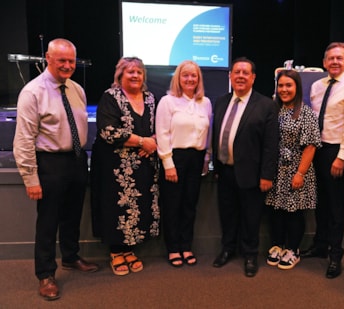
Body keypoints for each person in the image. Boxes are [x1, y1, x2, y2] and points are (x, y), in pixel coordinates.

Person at [13, 38, 98, 301]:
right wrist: (30, 178)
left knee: (72, 215)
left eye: (71, 60)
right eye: (61, 60)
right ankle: (45, 274)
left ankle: (71, 258)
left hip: (76, 159)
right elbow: (24, 139)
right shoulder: (32, 92)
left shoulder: (77, 89)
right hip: (49, 163)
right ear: (47, 58)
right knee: (48, 221)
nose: (67, 65)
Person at [90, 57, 160, 276]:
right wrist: (142, 141)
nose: (135, 75)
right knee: (116, 206)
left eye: (139, 72)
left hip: (144, 163)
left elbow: (161, 125)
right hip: (115, 167)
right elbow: (107, 131)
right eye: (130, 71)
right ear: (119, 75)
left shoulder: (150, 98)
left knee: (139, 204)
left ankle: (130, 249)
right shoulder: (110, 97)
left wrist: (154, 141)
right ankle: (116, 251)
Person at [211, 57, 279, 277]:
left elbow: (271, 144)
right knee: (227, 215)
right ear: (230, 76)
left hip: (253, 174)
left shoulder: (266, 105)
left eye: (245, 73)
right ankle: (228, 249)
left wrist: (267, 175)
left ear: (253, 78)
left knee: (251, 217)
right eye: (236, 72)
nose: (240, 76)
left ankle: (250, 255)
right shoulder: (220, 101)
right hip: (225, 171)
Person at [302, 42, 344, 279]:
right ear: (324, 62)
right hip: (316, 149)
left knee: (336, 206)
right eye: (331, 58)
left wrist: (341, 158)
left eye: (340, 58)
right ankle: (320, 245)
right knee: (320, 202)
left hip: (336, 151)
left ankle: (335, 254)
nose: (335, 62)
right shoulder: (317, 86)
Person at [155, 60, 212, 267]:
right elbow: (162, 133)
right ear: (178, 78)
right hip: (174, 158)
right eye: (185, 75)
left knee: (189, 205)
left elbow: (208, 132)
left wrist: (206, 159)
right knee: (172, 206)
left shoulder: (205, 102)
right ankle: (173, 248)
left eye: (194, 75)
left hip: (196, 159)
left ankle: (186, 246)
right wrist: (168, 163)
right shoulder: (167, 101)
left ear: (199, 79)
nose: (190, 79)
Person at [265, 70, 322, 270]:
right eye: (281, 85)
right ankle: (278, 245)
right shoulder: (273, 109)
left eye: (288, 85)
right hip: (276, 169)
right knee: (276, 210)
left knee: (294, 212)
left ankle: (293, 249)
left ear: (297, 87)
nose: (284, 89)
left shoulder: (305, 112)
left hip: (296, 169)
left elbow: (311, 146)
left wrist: (300, 173)